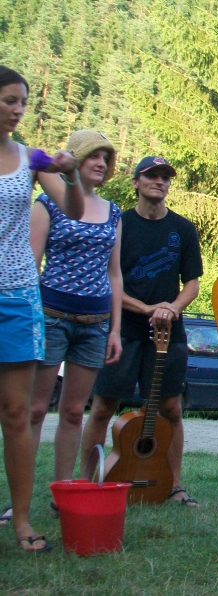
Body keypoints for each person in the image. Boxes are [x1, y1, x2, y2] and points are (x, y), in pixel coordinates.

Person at [79, 155, 203, 507]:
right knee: (103, 406)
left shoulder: (183, 229)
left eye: (165, 176)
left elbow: (192, 284)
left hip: (168, 333)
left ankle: (174, 485)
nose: (159, 181)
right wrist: (146, 308)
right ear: (135, 182)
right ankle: (86, 483)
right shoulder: (118, 224)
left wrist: (171, 308)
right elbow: (108, 280)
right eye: (151, 175)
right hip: (123, 329)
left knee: (171, 408)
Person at [0, 65, 84, 552]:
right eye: (9, 100)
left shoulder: (30, 158)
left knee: (17, 413)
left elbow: (73, 210)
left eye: (23, 102)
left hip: (16, 296)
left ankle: (22, 521)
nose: (18, 110)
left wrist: (70, 174)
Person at [29, 130, 123, 512]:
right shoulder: (47, 204)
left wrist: (115, 329)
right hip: (50, 316)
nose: (101, 163)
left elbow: (115, 273)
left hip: (95, 324)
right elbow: (33, 263)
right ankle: (20, 500)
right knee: (36, 410)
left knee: (72, 412)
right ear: (76, 159)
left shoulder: (114, 212)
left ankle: (62, 496)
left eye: (106, 158)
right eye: (94, 156)